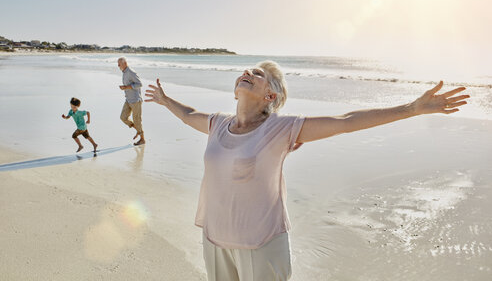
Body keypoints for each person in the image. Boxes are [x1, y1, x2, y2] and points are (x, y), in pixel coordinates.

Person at [144, 61, 469, 281]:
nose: (247, 72)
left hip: (261, 243)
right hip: (214, 239)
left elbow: (345, 122)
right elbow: (189, 115)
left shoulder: (280, 129)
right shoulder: (218, 124)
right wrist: (164, 99)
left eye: (257, 74)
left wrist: (410, 109)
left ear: (270, 95)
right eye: (246, 70)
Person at [118, 57, 145, 145]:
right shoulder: (124, 72)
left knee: (137, 120)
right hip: (128, 100)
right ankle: (138, 130)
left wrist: (126, 87)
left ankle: (142, 139)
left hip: (136, 100)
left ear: (125, 63)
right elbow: (129, 84)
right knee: (123, 117)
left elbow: (139, 84)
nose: (118, 66)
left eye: (119, 64)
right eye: (118, 64)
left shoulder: (131, 72)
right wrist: (125, 87)